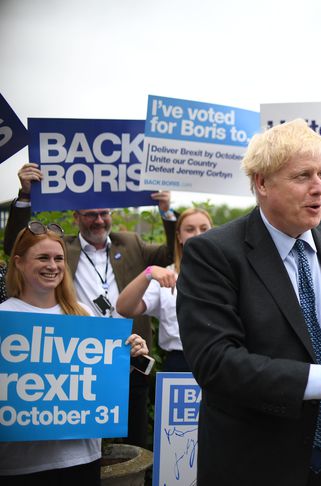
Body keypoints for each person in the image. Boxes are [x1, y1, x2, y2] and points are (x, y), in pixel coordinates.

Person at [176, 119, 321, 486]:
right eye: (303, 176)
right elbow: (216, 363)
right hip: (257, 462)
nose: (319, 188)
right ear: (261, 183)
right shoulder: (213, 252)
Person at [3, 162, 177, 448]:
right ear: (76, 217)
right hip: (80, 362)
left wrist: (166, 211)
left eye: (104, 213)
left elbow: (171, 252)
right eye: (90, 214)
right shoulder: (61, 250)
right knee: (86, 440)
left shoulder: (130, 242)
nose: (98, 220)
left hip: (130, 357)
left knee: (134, 443)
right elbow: (16, 248)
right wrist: (24, 196)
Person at [0, 222, 148, 484]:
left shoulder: (81, 313)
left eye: (59, 258)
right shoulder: (5, 317)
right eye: (43, 257)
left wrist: (128, 357)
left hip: (82, 459)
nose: (53, 265)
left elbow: (97, 379)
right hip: (19, 464)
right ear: (19, 263)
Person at [116, 208, 213, 372]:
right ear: (179, 237)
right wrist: (148, 272)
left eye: (204, 229)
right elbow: (125, 308)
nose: (198, 234)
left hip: (220, 361)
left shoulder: (229, 272)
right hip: (179, 363)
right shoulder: (165, 275)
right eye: (190, 229)